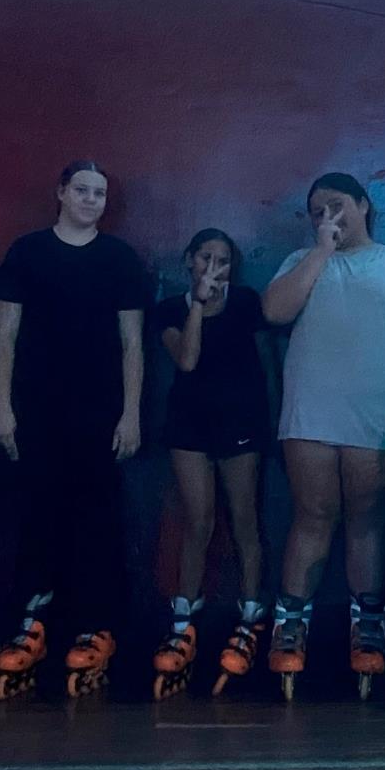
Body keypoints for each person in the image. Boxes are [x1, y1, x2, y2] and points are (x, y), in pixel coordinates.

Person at [262, 172, 385, 699]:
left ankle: (369, 626)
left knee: (367, 520)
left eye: (337, 206)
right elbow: (274, 311)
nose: (328, 217)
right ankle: (290, 623)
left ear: (364, 205)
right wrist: (320, 250)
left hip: (376, 417)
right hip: (310, 414)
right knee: (311, 516)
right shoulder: (300, 261)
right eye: (317, 211)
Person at [0, 159, 148, 699]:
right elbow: (5, 337)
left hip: (100, 412)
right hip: (37, 408)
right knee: (37, 514)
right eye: (81, 190)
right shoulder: (27, 252)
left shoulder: (120, 259)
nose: (90, 200)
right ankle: (32, 620)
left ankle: (96, 624)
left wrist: (131, 413)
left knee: (97, 518)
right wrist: (2, 408)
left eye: (100, 193)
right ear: (61, 193)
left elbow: (133, 343)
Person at [148, 228, 271, 699]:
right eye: (206, 257)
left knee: (244, 519)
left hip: (241, 425)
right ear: (188, 259)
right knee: (197, 521)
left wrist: (272, 419)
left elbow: (266, 362)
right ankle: (183, 622)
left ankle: (251, 616)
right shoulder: (170, 309)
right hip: (188, 427)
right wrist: (198, 303)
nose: (214, 267)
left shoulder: (244, 302)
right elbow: (187, 359)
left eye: (223, 260)